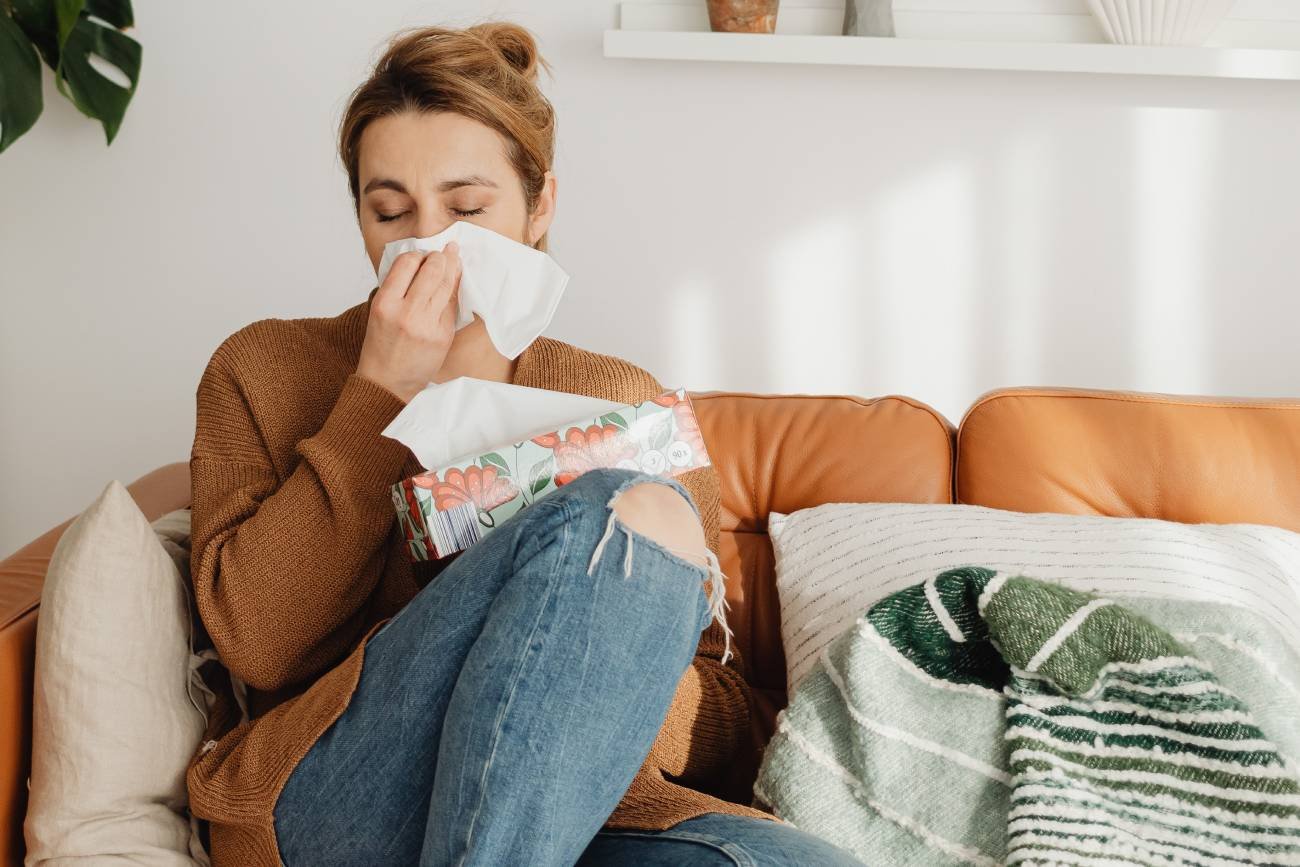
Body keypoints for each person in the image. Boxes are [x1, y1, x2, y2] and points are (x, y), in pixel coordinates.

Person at [185, 20, 865, 867]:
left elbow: (723, 704)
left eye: (467, 208)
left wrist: (587, 646)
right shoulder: (262, 368)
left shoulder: (624, 401)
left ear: (540, 208)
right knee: (612, 514)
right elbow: (258, 642)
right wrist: (380, 393)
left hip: (579, 811)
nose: (427, 241)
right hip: (334, 800)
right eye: (389, 210)